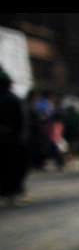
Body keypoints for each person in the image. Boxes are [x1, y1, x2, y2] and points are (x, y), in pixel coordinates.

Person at [0, 68, 29, 205]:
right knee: (14, 168)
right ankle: (13, 192)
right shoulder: (13, 98)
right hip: (13, 140)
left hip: (7, 139)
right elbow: (21, 121)